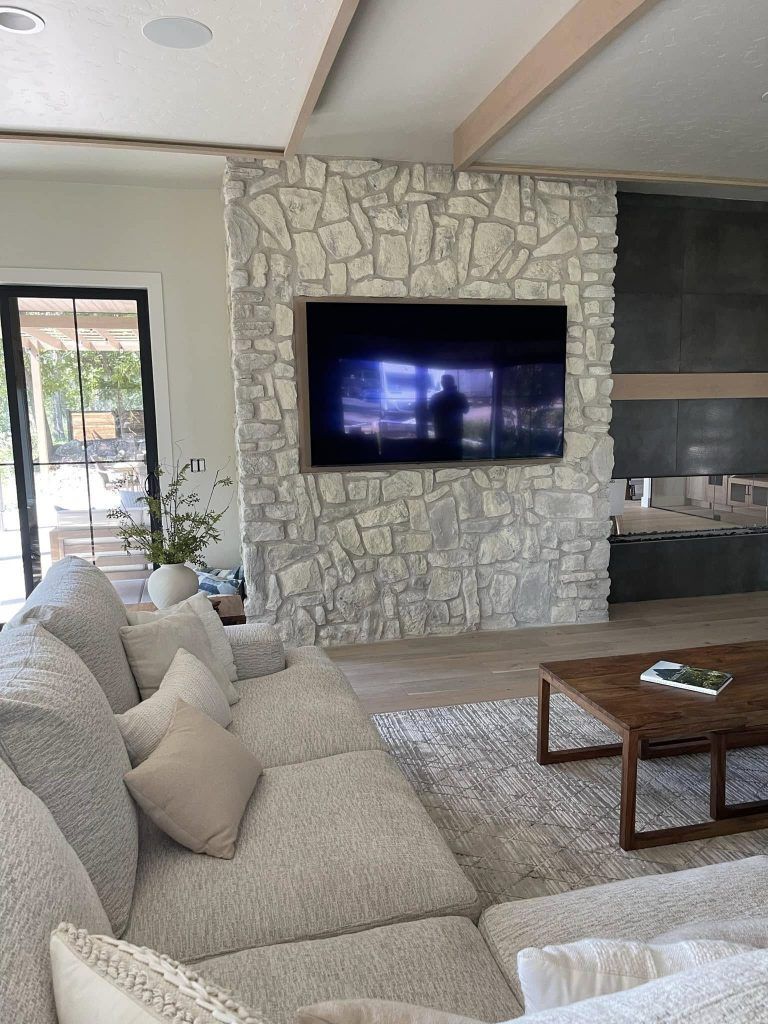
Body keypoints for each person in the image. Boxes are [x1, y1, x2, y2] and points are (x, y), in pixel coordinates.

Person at [429, 373, 469, 444]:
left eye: (442, 382)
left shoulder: (436, 397)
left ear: (442, 384)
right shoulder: (461, 396)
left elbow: (431, 411)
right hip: (456, 429)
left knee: (443, 451)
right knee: (456, 450)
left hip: (440, 429)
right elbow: (466, 410)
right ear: (453, 383)